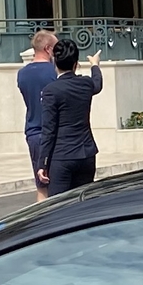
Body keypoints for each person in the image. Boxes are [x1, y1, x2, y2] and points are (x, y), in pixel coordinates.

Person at [36, 37, 104, 195]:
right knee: (83, 203)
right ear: (76, 64)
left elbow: (49, 130)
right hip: (86, 154)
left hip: (62, 157)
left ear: (55, 62)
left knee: (59, 206)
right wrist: (95, 65)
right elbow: (97, 83)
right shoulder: (85, 84)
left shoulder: (51, 91)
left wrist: (42, 163)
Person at [16, 28, 59, 199]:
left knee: (41, 185)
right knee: (58, 183)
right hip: (54, 132)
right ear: (48, 49)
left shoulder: (22, 73)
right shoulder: (53, 72)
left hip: (33, 131)